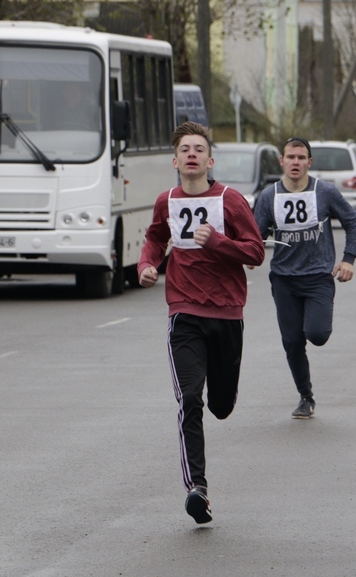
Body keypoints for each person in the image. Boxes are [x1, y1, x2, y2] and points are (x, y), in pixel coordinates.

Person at [137, 121, 265, 524]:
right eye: (185, 149)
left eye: (199, 149)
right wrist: (147, 264)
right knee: (189, 398)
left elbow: (256, 252)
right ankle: (198, 489)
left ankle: (223, 399)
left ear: (210, 160)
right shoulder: (166, 200)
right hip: (185, 312)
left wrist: (218, 242)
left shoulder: (230, 199)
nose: (192, 154)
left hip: (227, 314)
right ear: (175, 160)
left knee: (221, 406)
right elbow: (155, 238)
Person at [253, 137, 356, 419]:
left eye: (301, 158)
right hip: (284, 280)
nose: (296, 163)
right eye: (291, 157)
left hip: (317, 278)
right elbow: (256, 235)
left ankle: (309, 325)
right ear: (282, 161)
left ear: (309, 162)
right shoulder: (269, 196)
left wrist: (349, 259)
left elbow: (352, 220)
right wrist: (248, 254)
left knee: (317, 334)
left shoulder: (324, 191)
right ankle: (306, 396)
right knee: (292, 342)